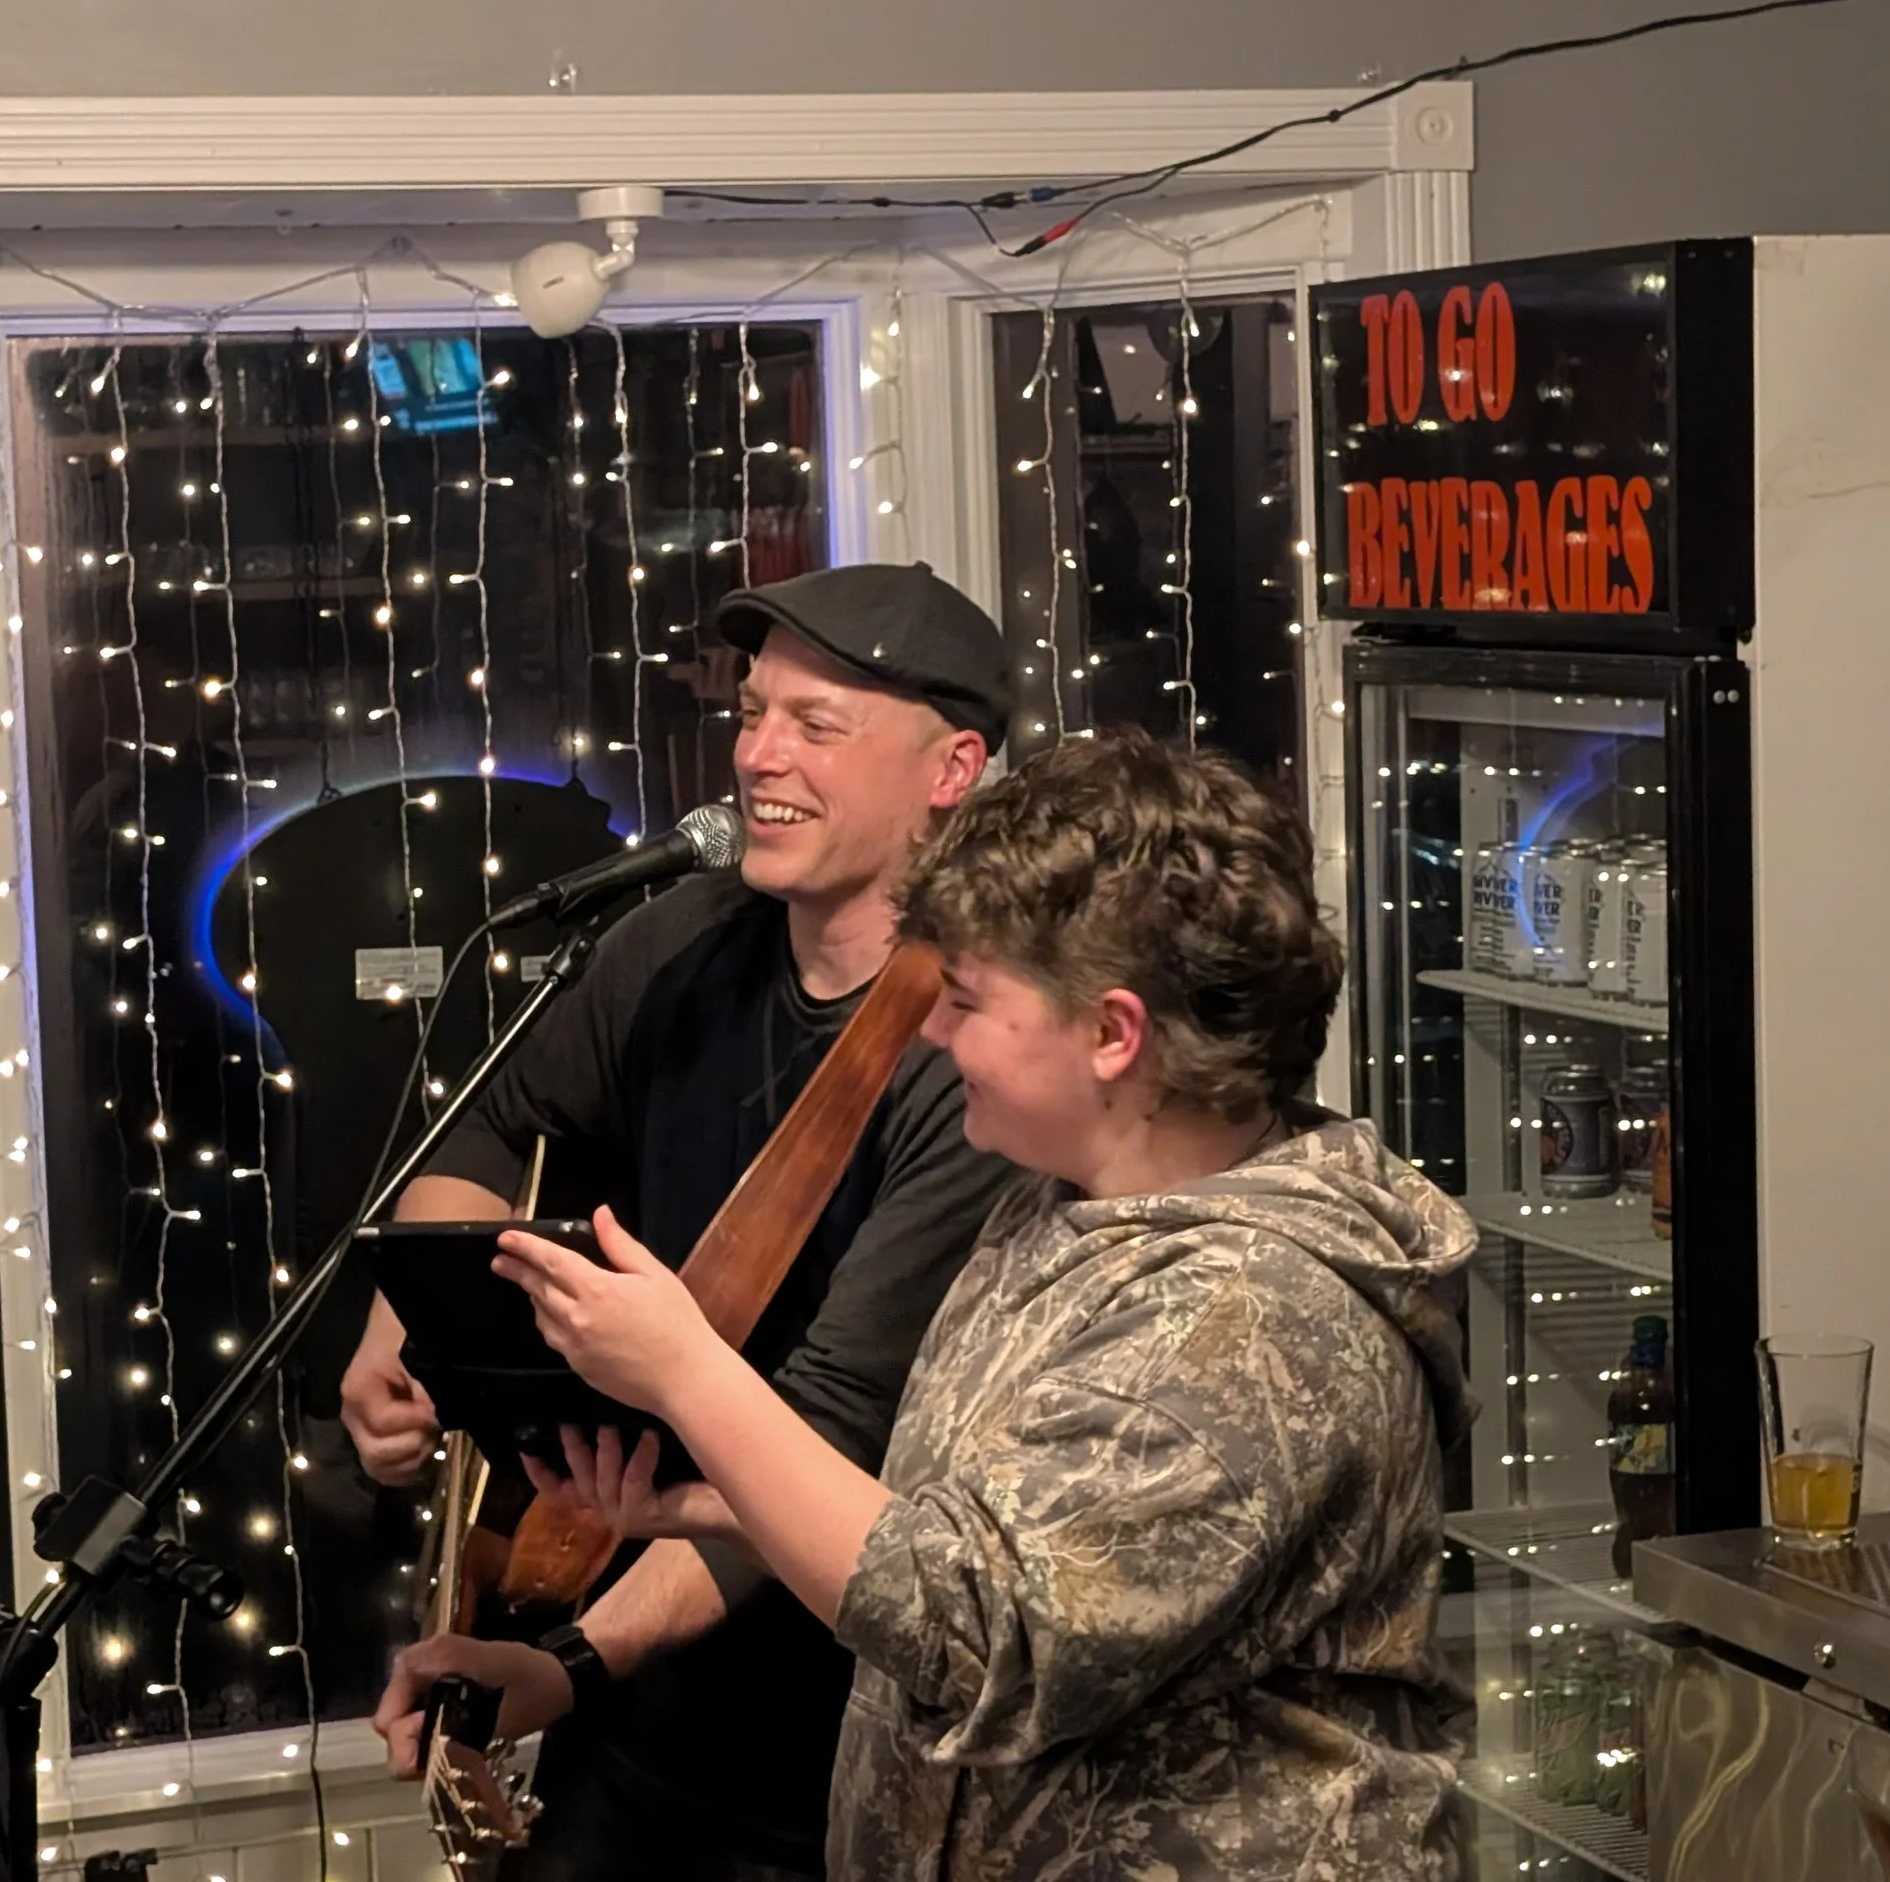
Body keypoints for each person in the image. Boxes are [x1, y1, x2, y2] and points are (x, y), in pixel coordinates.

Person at [492, 729, 1474, 1880]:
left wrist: (686, 1371)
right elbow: (961, 1521)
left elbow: (983, 1629)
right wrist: (706, 1506)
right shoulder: (1055, 1204)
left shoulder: (1254, 1316)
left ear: (1113, 1034)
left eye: (963, 999)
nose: (927, 1030)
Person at [354, 563, 1022, 1880]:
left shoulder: (975, 1051)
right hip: (636, 1680)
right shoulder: (678, 941)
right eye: (752, 710)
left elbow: (825, 1440)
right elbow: (491, 1124)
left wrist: (569, 1659)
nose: (757, 754)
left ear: (952, 769)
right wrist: (401, 1329)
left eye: (815, 724)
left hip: (837, 1733)